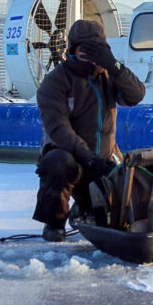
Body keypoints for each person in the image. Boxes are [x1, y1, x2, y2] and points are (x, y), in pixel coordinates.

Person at [32, 19, 145, 241]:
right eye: (83, 48)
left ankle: (85, 208)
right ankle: (54, 223)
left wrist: (114, 66)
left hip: (104, 159)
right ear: (72, 49)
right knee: (58, 164)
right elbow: (58, 127)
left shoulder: (109, 77)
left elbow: (136, 95)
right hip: (70, 156)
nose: (88, 54)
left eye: (94, 49)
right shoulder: (55, 81)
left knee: (114, 211)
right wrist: (89, 159)